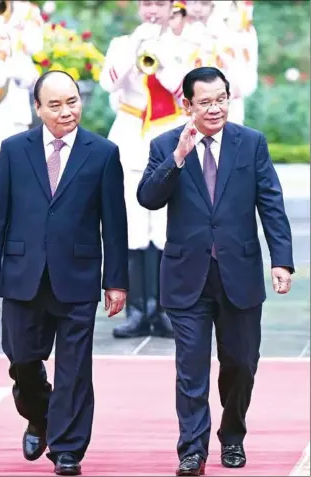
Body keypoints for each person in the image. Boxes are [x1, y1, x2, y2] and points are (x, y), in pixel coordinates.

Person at [137, 67, 294, 476]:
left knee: (241, 364)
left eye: (221, 99)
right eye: (205, 102)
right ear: (186, 104)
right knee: (190, 368)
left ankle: (233, 434)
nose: (215, 108)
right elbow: (148, 198)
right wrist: (177, 159)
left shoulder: (250, 144)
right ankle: (192, 449)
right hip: (187, 276)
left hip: (238, 274)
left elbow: (271, 205)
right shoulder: (165, 144)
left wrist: (281, 259)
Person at [0, 70, 129, 476]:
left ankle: (67, 449)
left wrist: (116, 281)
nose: (66, 112)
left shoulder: (103, 153)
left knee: (75, 366)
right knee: (22, 360)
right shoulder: (13, 150)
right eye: (56, 104)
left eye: (72, 101)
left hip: (76, 276)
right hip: (23, 274)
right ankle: (40, 416)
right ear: (38, 108)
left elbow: (115, 224)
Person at [100, 0, 188, 339]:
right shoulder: (122, 44)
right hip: (130, 136)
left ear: (171, 8)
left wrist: (161, 59)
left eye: (159, 4)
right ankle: (137, 309)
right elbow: (108, 83)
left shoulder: (185, 47)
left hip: (169, 139)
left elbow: (186, 92)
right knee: (134, 227)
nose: (153, 10)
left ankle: (164, 309)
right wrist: (137, 46)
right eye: (147, 3)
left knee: (165, 230)